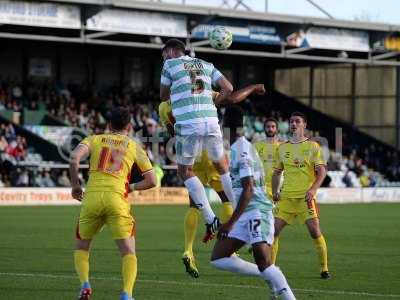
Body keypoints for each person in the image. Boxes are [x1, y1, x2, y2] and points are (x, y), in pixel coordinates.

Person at [159, 84, 266, 278]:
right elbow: (232, 98)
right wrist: (254, 88)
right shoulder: (202, 94)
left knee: (194, 204)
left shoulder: (163, 107)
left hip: (189, 153)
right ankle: (235, 241)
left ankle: (188, 250)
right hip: (210, 150)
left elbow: (171, 132)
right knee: (226, 198)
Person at [69, 107, 156, 300]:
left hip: (91, 198)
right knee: (128, 251)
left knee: (82, 247)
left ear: (109, 125)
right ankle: (126, 294)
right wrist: (130, 188)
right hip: (117, 198)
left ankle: (85, 285)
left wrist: (76, 186)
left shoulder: (94, 139)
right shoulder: (133, 146)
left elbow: (74, 158)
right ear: (130, 126)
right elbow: (152, 181)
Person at [210, 106, 296, 300]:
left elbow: (248, 189)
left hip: (256, 211)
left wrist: (230, 221)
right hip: (245, 213)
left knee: (264, 261)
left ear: (225, 126)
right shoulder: (237, 148)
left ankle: (277, 282)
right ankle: (270, 274)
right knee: (218, 258)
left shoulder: (241, 149)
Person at [159, 38, 234, 240]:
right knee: (222, 166)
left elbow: (163, 95)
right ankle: (240, 210)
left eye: (164, 53)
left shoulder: (170, 64)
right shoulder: (207, 64)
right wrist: (214, 103)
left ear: (173, 51)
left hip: (188, 124)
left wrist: (175, 91)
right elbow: (228, 88)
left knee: (185, 170)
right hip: (211, 121)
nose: (163, 57)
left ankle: (210, 219)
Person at [271, 112, 330, 279]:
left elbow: (322, 172)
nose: (294, 124)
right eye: (291, 121)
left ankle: (324, 269)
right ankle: (271, 268)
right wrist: (276, 192)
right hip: (287, 198)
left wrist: (313, 190)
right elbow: (276, 173)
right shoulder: (282, 148)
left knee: (314, 231)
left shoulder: (313, 147)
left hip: (305, 198)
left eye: (297, 121)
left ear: (304, 125)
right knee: (273, 231)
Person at [255, 117, 285, 199]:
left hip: (278, 187)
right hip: (261, 188)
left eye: (273, 127)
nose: (270, 129)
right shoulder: (257, 146)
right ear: (264, 128)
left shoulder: (283, 147)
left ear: (277, 129)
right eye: (268, 127)